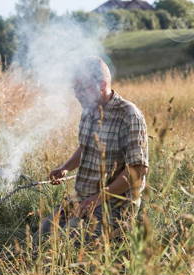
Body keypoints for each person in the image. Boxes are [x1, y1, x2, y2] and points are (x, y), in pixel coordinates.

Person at [41, 56, 149, 240]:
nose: (77, 94)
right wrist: (65, 168)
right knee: (43, 232)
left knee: (64, 242)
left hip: (114, 205)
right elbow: (86, 146)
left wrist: (97, 199)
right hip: (83, 197)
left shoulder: (129, 115)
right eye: (75, 88)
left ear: (101, 84)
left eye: (82, 88)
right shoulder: (89, 110)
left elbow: (137, 170)